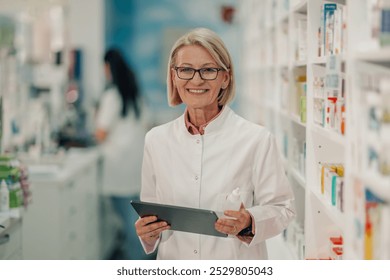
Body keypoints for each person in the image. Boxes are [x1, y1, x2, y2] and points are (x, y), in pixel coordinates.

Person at [135, 28, 295, 260]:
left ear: (225, 78)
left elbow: (283, 208)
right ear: (174, 76)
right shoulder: (156, 140)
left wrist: (249, 221)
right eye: (186, 70)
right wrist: (147, 233)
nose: (196, 80)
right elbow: (151, 215)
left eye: (209, 70)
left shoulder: (256, 139)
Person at [95, 48, 151, 260]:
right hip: (135, 163)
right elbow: (146, 125)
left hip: (117, 163)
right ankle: (140, 258)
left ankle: (136, 263)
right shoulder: (136, 95)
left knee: (129, 223)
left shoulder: (111, 96)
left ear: (108, 67)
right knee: (134, 218)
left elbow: (101, 132)